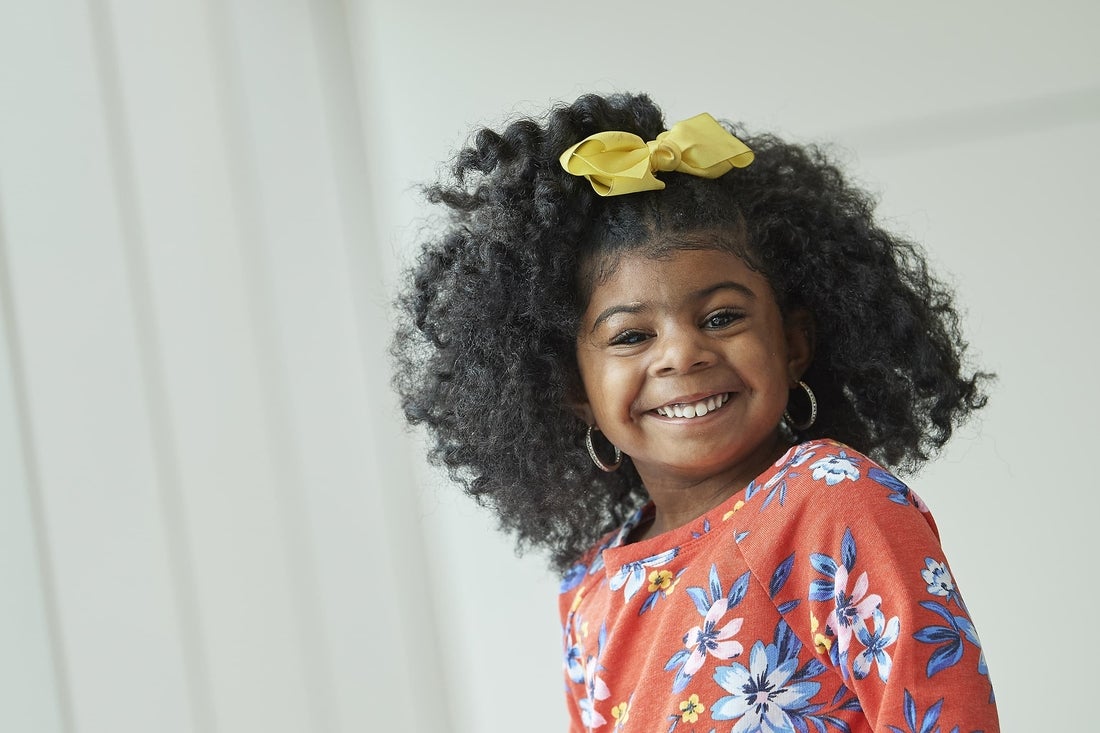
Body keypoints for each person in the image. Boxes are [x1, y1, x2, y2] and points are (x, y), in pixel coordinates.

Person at [392, 92, 998, 732]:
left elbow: (943, 717)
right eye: (631, 336)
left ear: (793, 345)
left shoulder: (834, 503)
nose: (683, 354)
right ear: (575, 391)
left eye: (722, 318)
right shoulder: (589, 589)